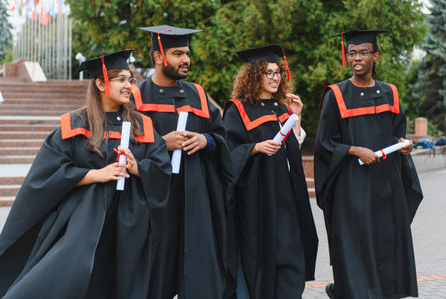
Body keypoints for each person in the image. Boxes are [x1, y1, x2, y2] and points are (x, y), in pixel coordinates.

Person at [0, 50, 171, 299]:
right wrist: (93, 175)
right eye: (120, 79)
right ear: (100, 83)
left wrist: (138, 167)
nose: (128, 86)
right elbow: (47, 174)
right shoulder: (76, 124)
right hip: (84, 222)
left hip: (131, 224)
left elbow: (162, 168)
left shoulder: (143, 126)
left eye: (130, 80)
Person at [314, 29, 423, 299]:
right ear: (347, 57)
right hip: (353, 186)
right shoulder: (336, 95)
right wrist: (354, 150)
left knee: (386, 241)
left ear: (376, 56)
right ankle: (349, 291)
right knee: (356, 243)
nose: (357, 58)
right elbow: (324, 143)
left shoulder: (390, 93)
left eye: (363, 53)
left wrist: (405, 146)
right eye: (352, 53)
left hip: (386, 184)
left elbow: (398, 134)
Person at [131, 25, 234, 299]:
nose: (186, 60)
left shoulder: (198, 95)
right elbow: (122, 148)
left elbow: (220, 137)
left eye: (187, 53)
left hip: (194, 202)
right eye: (178, 54)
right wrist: (161, 144)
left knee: (198, 273)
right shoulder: (136, 99)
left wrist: (205, 141)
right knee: (154, 277)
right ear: (158, 57)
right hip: (154, 203)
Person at [223, 44, 318, 299]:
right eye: (269, 72)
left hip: (287, 197)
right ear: (254, 75)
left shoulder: (283, 109)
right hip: (258, 199)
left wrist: (296, 120)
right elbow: (227, 154)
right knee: (263, 258)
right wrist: (254, 148)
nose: (275, 77)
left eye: (278, 72)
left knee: (291, 255)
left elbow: (292, 151)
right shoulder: (238, 109)